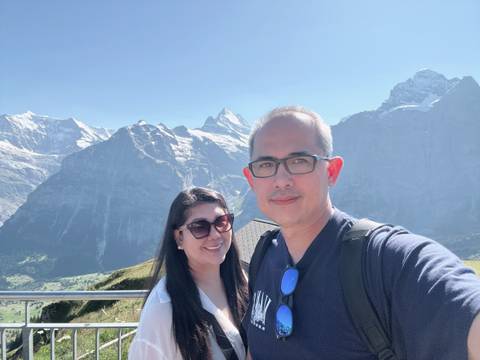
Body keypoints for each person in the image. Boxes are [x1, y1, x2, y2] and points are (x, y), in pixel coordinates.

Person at [242, 106, 480, 359]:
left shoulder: (383, 260)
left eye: (299, 161)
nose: (281, 179)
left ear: (331, 171)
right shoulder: (263, 256)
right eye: (266, 165)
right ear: (251, 179)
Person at [129, 187, 248, 360]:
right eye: (200, 227)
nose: (215, 234)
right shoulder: (163, 308)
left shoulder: (243, 283)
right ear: (179, 237)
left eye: (221, 222)